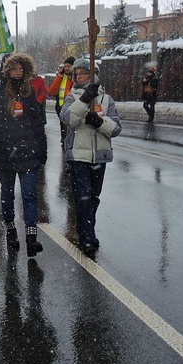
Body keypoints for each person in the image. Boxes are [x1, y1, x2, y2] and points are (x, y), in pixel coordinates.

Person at [0, 54, 48, 256]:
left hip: (27, 152)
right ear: (7, 71)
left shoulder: (29, 93)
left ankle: (31, 238)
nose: (18, 73)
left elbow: (38, 124)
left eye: (21, 69)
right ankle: (11, 231)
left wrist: (42, 148)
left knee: (30, 195)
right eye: (14, 69)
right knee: (8, 195)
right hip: (6, 154)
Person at [60, 58, 122, 253]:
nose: (79, 77)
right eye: (76, 74)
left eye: (83, 73)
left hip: (100, 156)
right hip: (79, 155)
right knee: (83, 197)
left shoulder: (106, 99)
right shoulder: (72, 97)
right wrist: (85, 99)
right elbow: (68, 118)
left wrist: (99, 123)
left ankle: (87, 229)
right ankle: (87, 235)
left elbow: (116, 128)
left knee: (94, 197)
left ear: (92, 74)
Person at [48, 56, 75, 146]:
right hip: (62, 107)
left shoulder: (76, 77)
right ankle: (65, 142)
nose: (67, 68)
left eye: (69, 66)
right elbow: (52, 91)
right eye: (65, 66)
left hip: (74, 108)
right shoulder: (62, 78)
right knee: (64, 129)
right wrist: (59, 77)